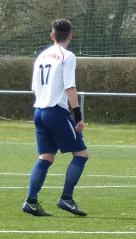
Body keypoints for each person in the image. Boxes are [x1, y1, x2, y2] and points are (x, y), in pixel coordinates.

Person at [22, 19, 89, 217]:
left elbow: (35, 88)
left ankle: (31, 201)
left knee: (46, 156)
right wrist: (78, 116)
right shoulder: (67, 56)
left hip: (39, 112)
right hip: (55, 112)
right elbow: (70, 87)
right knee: (82, 154)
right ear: (70, 35)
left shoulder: (41, 56)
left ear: (52, 36)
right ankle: (66, 199)